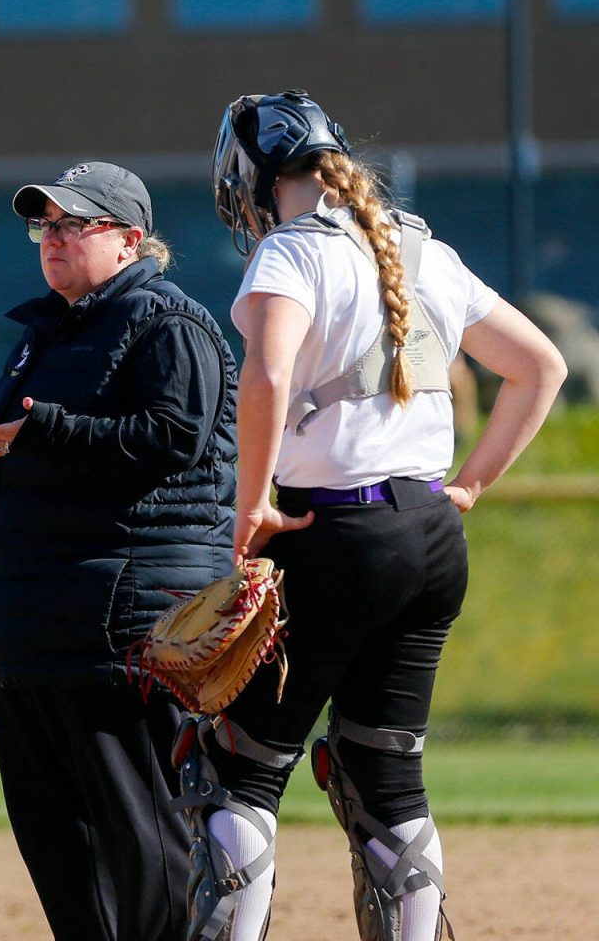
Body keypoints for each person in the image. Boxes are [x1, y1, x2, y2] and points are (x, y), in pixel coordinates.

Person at [199, 89, 567, 940]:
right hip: (431, 538)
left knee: (238, 772)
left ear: (251, 178)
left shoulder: (292, 252)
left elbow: (267, 377)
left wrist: (252, 501)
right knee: (381, 769)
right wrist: (469, 486)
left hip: (331, 534)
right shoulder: (418, 247)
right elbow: (540, 367)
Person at [0, 161, 238, 940]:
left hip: (122, 630)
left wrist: (46, 430)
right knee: (60, 848)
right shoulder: (47, 332)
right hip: (36, 629)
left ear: (132, 239)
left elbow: (175, 440)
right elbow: (5, 462)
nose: (53, 239)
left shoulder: (167, 324)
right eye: (45, 225)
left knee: (143, 840)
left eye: (75, 224)